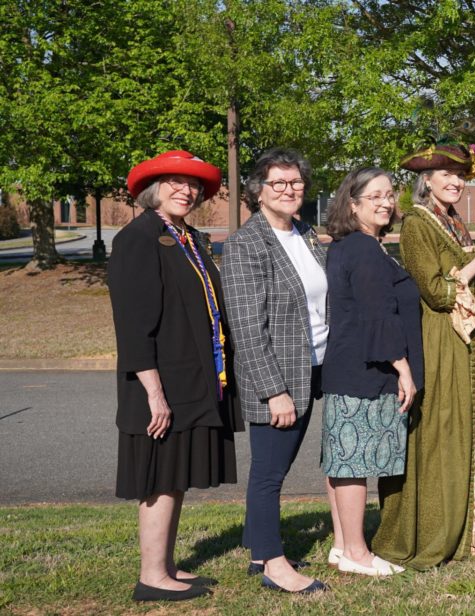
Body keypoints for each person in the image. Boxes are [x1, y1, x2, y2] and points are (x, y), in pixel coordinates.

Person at [109, 150, 241, 602]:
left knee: (176, 474)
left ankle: (164, 565)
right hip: (157, 383)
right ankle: (151, 576)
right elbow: (133, 323)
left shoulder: (184, 236)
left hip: (189, 377)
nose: (186, 191)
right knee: (159, 477)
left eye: (193, 185)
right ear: (154, 187)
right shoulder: (139, 237)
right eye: (175, 182)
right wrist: (154, 393)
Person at [373, 142, 475, 569]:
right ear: (425, 180)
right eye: (445, 174)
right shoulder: (416, 224)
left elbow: (464, 285)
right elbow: (438, 291)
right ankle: (428, 533)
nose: (455, 181)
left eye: (460, 175)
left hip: (460, 341)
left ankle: (462, 525)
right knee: (437, 432)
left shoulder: (452, 222)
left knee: (459, 430)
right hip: (435, 341)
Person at [221, 148, 329, 594]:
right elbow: (247, 327)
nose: (289, 190)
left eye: (296, 182)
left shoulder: (305, 232)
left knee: (273, 468)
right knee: (269, 473)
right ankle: (275, 568)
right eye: (278, 183)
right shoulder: (246, 245)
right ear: (258, 192)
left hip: (315, 365)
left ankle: (258, 549)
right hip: (279, 378)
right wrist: (273, 392)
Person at [320, 167, 422, 576]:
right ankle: (357, 554)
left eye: (390, 194)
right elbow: (376, 314)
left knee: (345, 461)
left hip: (351, 367)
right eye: (375, 195)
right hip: (364, 371)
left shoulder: (358, 245)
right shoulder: (362, 249)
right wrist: (403, 369)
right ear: (353, 203)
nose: (386, 201)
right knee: (354, 463)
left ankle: (343, 545)